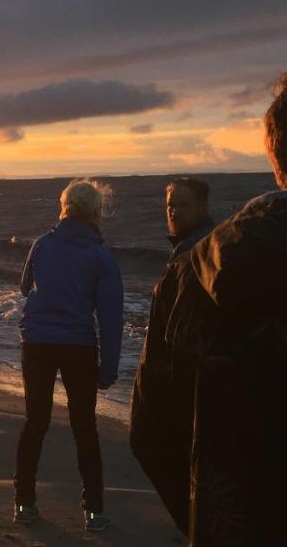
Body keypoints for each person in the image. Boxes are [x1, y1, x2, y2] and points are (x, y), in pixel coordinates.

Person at [150, 73, 287, 545]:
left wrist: (202, 510)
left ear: (273, 151)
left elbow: (152, 426)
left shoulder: (193, 269)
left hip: (236, 513)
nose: (172, 211)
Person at [13, 179, 122, 532]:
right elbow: (110, 317)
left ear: (64, 208)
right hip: (79, 345)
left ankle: (24, 503)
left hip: (38, 342)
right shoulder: (101, 256)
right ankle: (95, 510)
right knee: (84, 427)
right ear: (95, 212)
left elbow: (24, 286)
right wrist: (109, 368)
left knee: (36, 421)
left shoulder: (42, 245)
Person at [129, 177, 217, 534]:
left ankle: (200, 529)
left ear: (201, 208)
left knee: (154, 447)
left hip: (176, 382)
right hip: (177, 380)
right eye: (170, 205)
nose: (174, 211)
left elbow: (185, 331)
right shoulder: (193, 248)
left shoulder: (196, 253)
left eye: (182, 205)